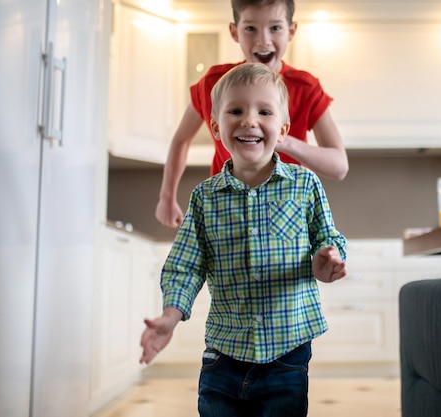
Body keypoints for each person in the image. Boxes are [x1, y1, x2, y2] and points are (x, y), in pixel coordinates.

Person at [140, 62, 348, 417]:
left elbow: (327, 242)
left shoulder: (305, 185)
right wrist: (171, 316)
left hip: (288, 352)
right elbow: (185, 266)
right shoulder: (205, 198)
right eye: (236, 111)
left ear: (282, 129)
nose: (249, 120)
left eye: (264, 111)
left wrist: (327, 263)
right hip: (223, 353)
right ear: (217, 128)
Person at [156, 0, 349, 228]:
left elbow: (339, 167)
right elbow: (181, 139)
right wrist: (167, 197)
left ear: (291, 31)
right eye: (250, 28)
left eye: (275, 28)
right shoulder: (213, 84)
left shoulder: (305, 88)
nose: (263, 40)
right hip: (227, 210)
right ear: (234, 32)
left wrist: (282, 141)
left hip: (287, 215)